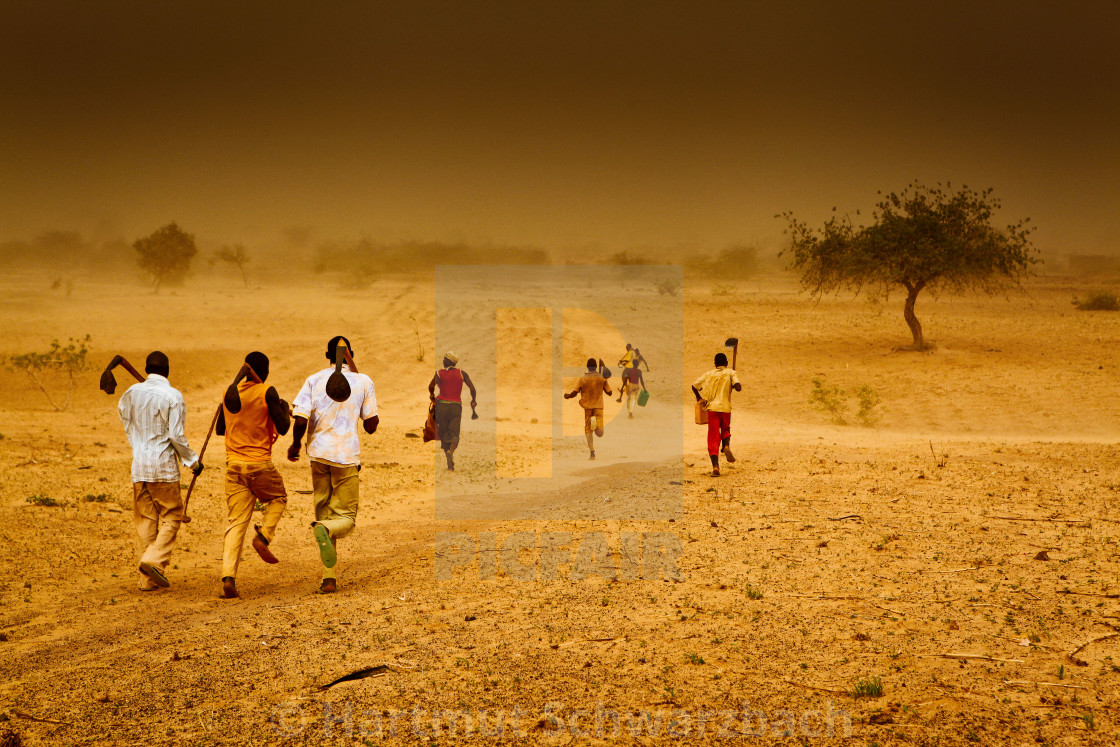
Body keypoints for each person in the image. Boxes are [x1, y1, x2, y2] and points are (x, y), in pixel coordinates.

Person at [287, 336, 378, 594]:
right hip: (346, 457)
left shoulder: (314, 380)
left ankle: (329, 578)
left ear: (327, 355)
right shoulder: (363, 381)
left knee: (324, 514)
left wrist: (295, 445)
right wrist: (360, 399)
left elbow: (301, 419)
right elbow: (371, 426)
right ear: (351, 354)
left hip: (318, 456)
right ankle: (325, 530)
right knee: (345, 519)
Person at [117, 351, 203, 591]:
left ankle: (146, 580)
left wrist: (140, 445)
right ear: (167, 371)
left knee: (146, 521)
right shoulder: (173, 396)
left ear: (147, 369)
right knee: (173, 515)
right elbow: (176, 436)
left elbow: (127, 423)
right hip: (163, 468)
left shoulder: (130, 394)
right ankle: (153, 561)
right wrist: (193, 462)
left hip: (139, 466)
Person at [214, 351, 291, 599]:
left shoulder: (230, 393)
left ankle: (228, 577)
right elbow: (283, 428)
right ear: (264, 371)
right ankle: (264, 535)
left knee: (236, 524)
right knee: (278, 498)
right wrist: (283, 409)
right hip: (259, 464)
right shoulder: (267, 391)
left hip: (234, 466)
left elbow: (220, 429)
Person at [692, 352, 741, 477]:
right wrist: (734, 384)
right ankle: (725, 445)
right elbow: (738, 387)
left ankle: (715, 467)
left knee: (713, 437)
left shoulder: (709, 374)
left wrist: (699, 398)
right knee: (725, 429)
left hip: (712, 409)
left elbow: (694, 386)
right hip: (725, 408)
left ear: (715, 364)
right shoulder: (730, 372)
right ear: (726, 363)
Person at [427, 352, 478, 471]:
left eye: (445, 359)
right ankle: (451, 451)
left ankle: (449, 461)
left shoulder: (439, 373)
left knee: (444, 433)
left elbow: (430, 386)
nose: (443, 361)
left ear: (450, 361)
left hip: (442, 406)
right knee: (454, 433)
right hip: (456, 406)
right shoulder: (462, 373)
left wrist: (432, 395)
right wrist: (473, 400)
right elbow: (472, 388)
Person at [564, 358, 613, 460]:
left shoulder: (582, 379)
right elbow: (610, 393)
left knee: (587, 429)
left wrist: (567, 396)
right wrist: (604, 381)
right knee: (600, 433)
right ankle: (597, 427)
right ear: (596, 367)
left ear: (587, 367)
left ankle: (592, 453)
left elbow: (574, 392)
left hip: (588, 408)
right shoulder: (601, 378)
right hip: (599, 407)